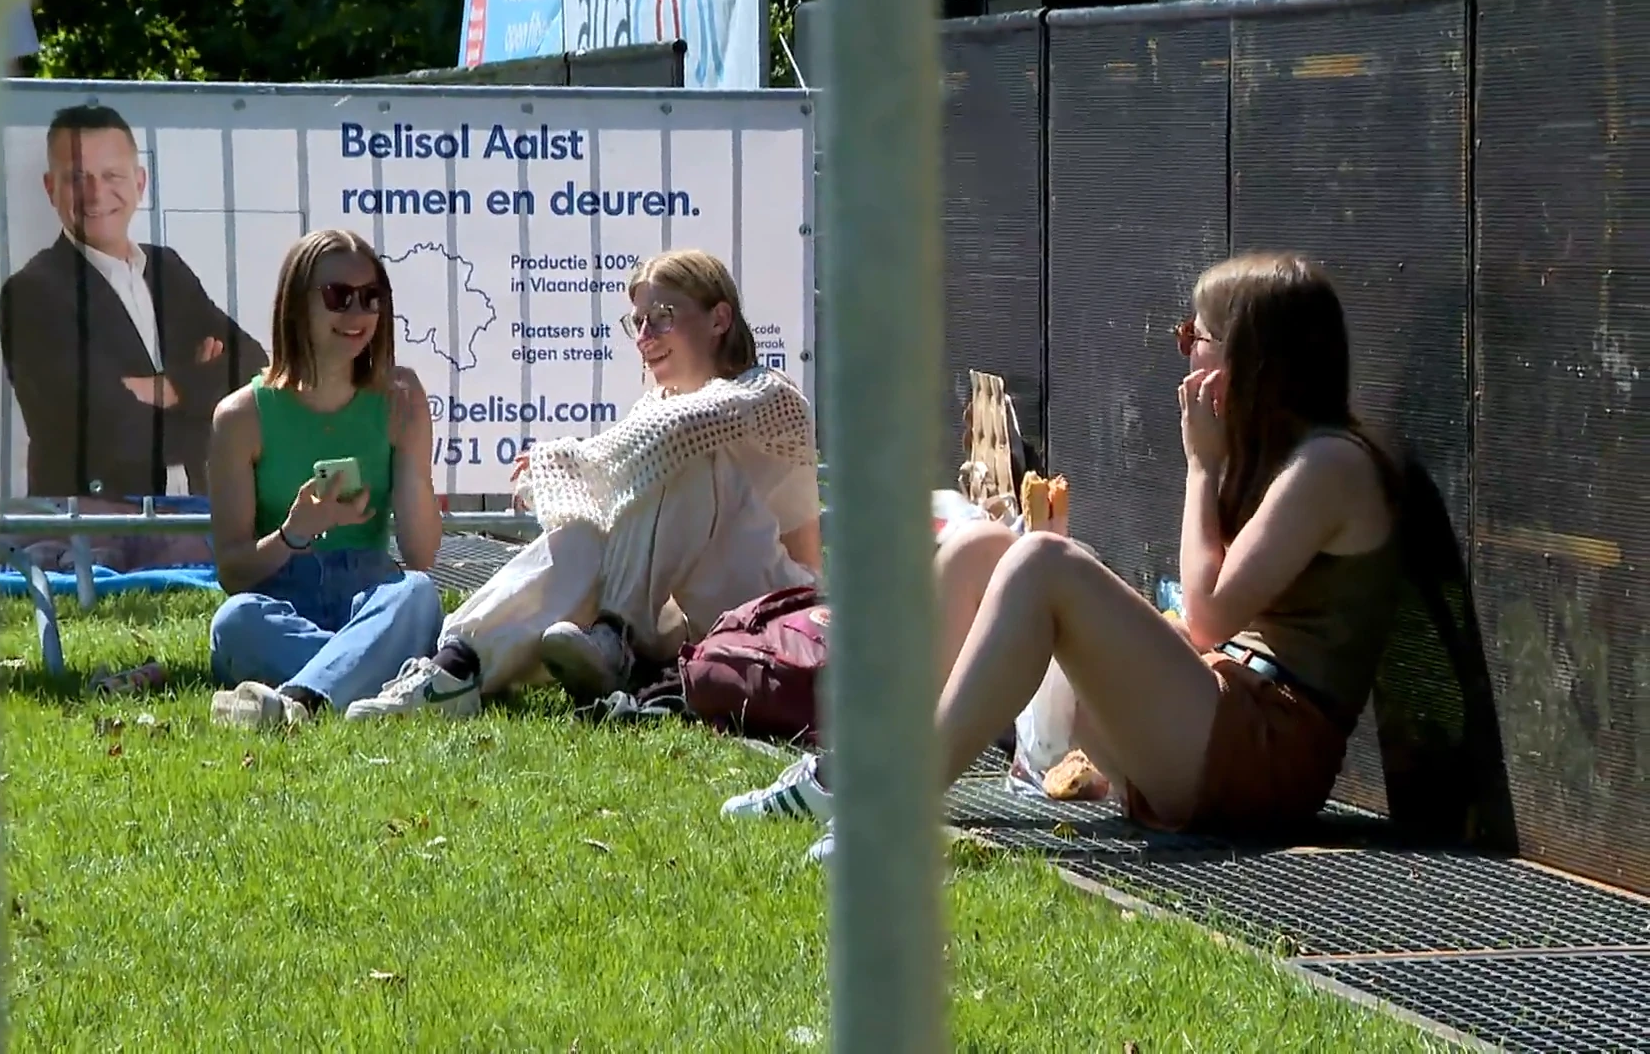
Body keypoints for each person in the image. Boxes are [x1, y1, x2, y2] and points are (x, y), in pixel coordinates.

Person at [725, 253, 1404, 860]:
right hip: (1214, 713)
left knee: (1042, 564)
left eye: (1193, 338)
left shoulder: (1329, 464)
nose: (1184, 355)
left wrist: (1202, 467)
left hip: (1265, 750)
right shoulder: (1277, 455)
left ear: (1250, 358)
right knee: (981, 547)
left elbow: (1207, 615)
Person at [345, 248, 824, 721]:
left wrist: (567, 458)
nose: (644, 337)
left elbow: (677, 431)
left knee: (686, 459)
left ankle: (616, 635)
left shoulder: (768, 393)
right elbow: (623, 484)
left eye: (661, 317)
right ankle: (455, 667)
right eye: (636, 322)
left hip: (773, 612)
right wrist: (577, 486)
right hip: (683, 618)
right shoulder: (656, 406)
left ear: (719, 319)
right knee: (583, 533)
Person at [204, 229, 445, 727]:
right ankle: (379, 676)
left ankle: (302, 699)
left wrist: (411, 448)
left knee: (417, 594)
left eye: (371, 297)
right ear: (297, 305)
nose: (358, 314)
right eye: (338, 297)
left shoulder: (401, 396)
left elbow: (420, 555)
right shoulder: (241, 416)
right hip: (281, 596)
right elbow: (233, 572)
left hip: (371, 592)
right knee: (235, 622)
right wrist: (296, 531)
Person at [0, 103, 270, 499]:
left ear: (139, 183)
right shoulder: (32, 293)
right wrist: (206, 399)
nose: (95, 194)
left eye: (111, 175)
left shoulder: (167, 269)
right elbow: (105, 433)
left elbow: (252, 367)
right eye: (77, 178)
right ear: (50, 188)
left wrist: (161, 388)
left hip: (196, 510)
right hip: (96, 529)